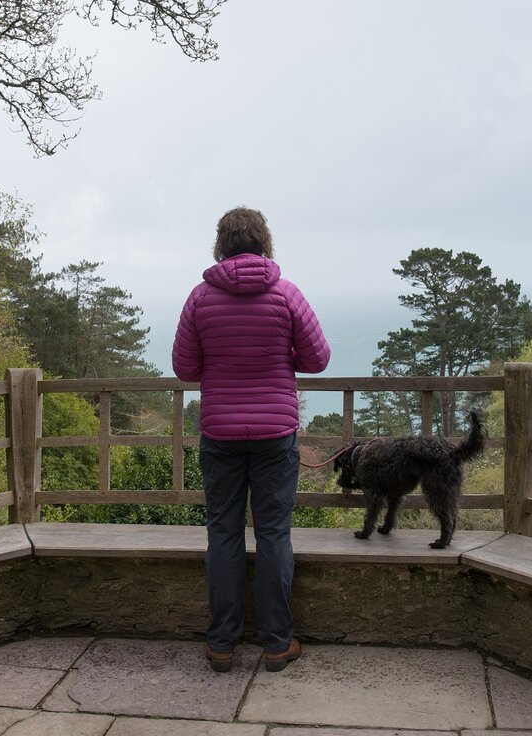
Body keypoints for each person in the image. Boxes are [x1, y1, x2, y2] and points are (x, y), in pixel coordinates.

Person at [172, 206, 331, 673]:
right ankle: (277, 643)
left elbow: (185, 367)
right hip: (275, 436)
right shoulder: (286, 295)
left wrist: (221, 361)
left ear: (221, 246)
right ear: (265, 243)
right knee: (274, 534)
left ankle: (221, 643)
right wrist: (281, 353)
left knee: (222, 532)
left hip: (219, 433)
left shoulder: (200, 298)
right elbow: (317, 358)